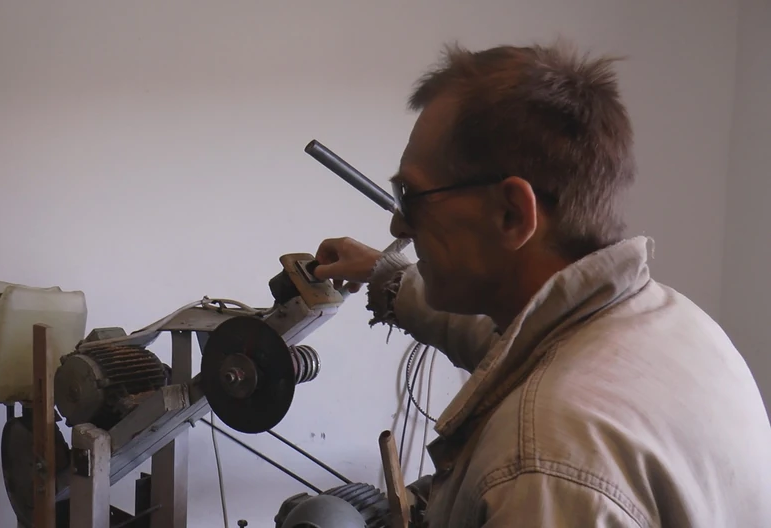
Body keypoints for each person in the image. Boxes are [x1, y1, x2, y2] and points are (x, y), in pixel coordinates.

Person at [312, 41, 771, 527]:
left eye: (412, 196)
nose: (399, 225)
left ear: (512, 214)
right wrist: (383, 275)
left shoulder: (540, 466)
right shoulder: (673, 325)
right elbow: (503, 344)